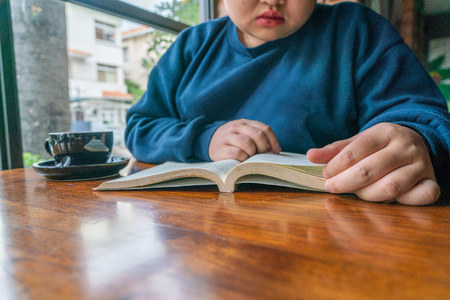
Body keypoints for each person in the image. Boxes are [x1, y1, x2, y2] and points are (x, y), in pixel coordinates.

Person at [125, 0, 450, 205]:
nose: (272, 1)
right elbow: (141, 127)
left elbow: (420, 116)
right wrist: (203, 137)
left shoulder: (355, 29)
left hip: (337, 217)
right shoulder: (191, 46)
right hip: (192, 217)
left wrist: (416, 139)